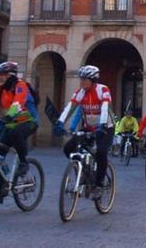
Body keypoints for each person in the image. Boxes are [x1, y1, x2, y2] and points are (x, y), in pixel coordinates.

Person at [54, 65, 114, 197]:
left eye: (85, 80)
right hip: (88, 127)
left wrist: (102, 124)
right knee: (68, 148)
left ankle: (99, 184)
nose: (81, 82)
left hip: (105, 127)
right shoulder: (80, 92)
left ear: (93, 80)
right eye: (81, 79)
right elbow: (70, 107)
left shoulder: (102, 89)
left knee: (101, 152)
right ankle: (83, 171)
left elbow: (105, 108)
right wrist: (60, 122)